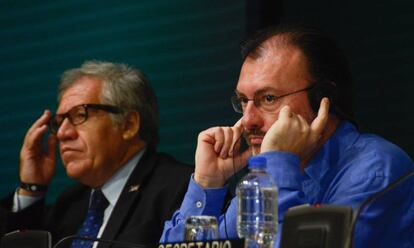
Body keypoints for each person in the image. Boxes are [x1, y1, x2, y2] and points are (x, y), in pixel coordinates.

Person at [159, 24, 414, 247]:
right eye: (242, 101)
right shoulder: (262, 179)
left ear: (323, 99)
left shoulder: (376, 170)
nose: (248, 120)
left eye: (268, 98)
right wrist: (208, 183)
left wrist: (278, 164)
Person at [0, 61, 193, 247]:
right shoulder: (68, 204)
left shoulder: (184, 191)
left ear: (129, 125)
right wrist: (32, 188)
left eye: (80, 114)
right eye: (59, 121)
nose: (62, 133)